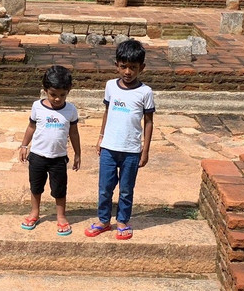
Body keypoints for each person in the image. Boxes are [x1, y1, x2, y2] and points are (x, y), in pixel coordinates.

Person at [86, 39, 154, 240]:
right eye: (123, 66)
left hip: (131, 150)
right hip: (109, 147)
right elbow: (108, 112)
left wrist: (146, 149)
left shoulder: (145, 92)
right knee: (105, 187)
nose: (127, 72)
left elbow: (148, 122)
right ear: (116, 65)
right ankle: (104, 220)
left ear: (142, 67)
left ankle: (123, 221)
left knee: (126, 189)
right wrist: (100, 136)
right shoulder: (110, 86)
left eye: (133, 67)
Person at [18, 65, 82, 235]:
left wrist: (77, 153)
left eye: (62, 95)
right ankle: (34, 212)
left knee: (60, 188)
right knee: (36, 186)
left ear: (69, 91)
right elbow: (31, 127)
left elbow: (74, 132)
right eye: (53, 94)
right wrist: (24, 145)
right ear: (45, 90)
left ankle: (61, 216)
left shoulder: (70, 110)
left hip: (58, 158)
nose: (57, 99)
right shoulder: (37, 107)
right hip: (38, 156)